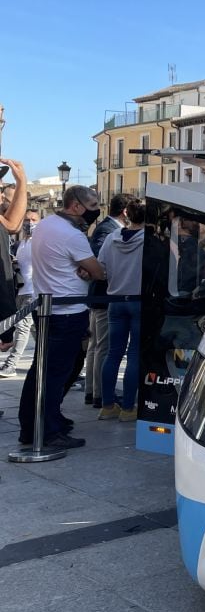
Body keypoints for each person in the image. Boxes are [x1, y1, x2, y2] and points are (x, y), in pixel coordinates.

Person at [17, 185, 105, 449]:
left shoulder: (45, 225)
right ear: (76, 206)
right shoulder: (72, 235)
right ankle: (48, 431)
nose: (96, 211)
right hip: (67, 312)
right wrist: (89, 270)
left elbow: (74, 265)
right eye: (93, 206)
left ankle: (34, 424)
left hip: (47, 308)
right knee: (55, 375)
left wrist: (83, 269)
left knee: (39, 372)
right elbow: (98, 271)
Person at [97, 199, 145, 422]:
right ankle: (128, 408)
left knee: (113, 353)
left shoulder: (111, 238)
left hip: (115, 300)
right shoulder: (150, 241)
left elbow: (101, 268)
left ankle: (107, 406)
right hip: (138, 300)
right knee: (134, 354)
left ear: (128, 215)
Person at [85, 193, 131, 406]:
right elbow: (98, 260)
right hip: (104, 294)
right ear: (125, 211)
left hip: (99, 294)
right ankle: (100, 394)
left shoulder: (105, 227)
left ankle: (93, 391)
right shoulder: (108, 230)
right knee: (103, 346)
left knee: (97, 345)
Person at [0, 209, 40, 378]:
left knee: (22, 327)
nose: (29, 223)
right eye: (27, 219)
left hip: (33, 291)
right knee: (34, 330)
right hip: (21, 290)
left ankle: (11, 364)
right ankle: (46, 361)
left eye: (33, 219)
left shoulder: (39, 242)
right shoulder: (21, 244)